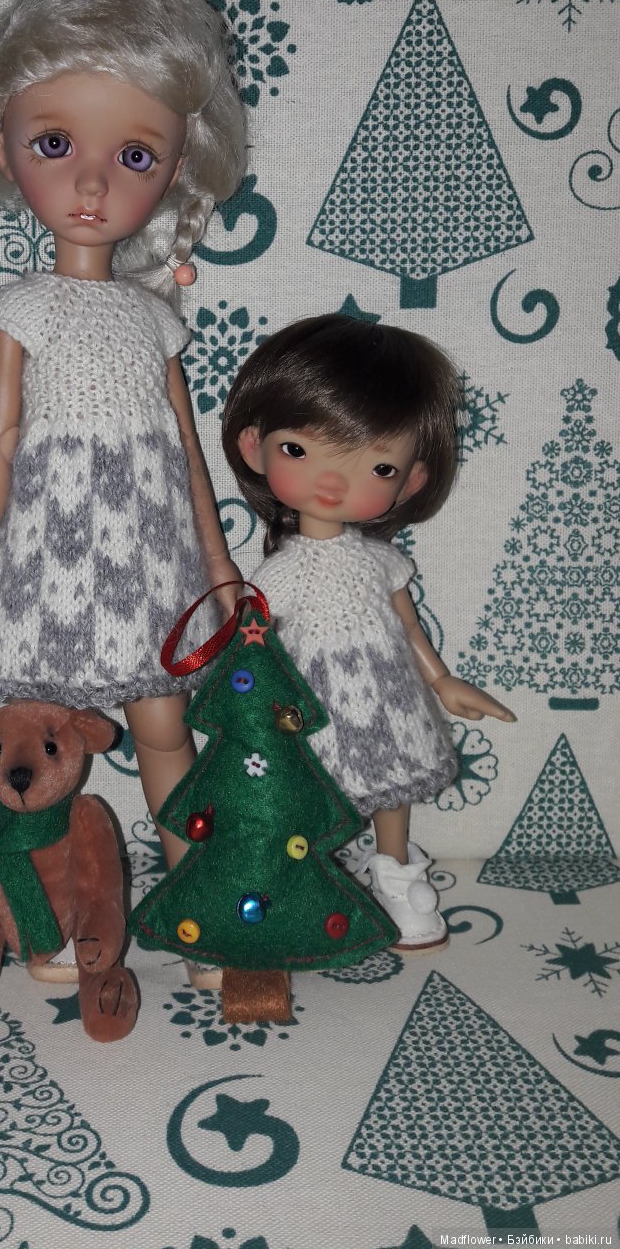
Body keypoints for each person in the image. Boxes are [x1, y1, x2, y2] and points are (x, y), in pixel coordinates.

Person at [0, 0, 247, 871]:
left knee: (164, 730)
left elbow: (187, 453)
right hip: (50, 557)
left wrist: (218, 565)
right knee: (32, 740)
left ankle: (195, 893)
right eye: (54, 143)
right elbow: (0, 441)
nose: (91, 180)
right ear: (3, 153)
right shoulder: (24, 307)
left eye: (135, 156)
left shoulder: (155, 319)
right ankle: (32, 899)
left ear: (176, 169)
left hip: (151, 561)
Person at [221, 314, 515, 949]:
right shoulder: (280, 572)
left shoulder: (381, 562)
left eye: (379, 467)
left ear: (412, 481)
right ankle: (305, 882)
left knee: (391, 784)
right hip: (309, 705)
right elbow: (255, 640)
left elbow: (407, 623)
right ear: (253, 447)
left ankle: (395, 873)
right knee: (305, 794)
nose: (333, 482)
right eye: (298, 451)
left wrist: (442, 680)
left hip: (383, 694)